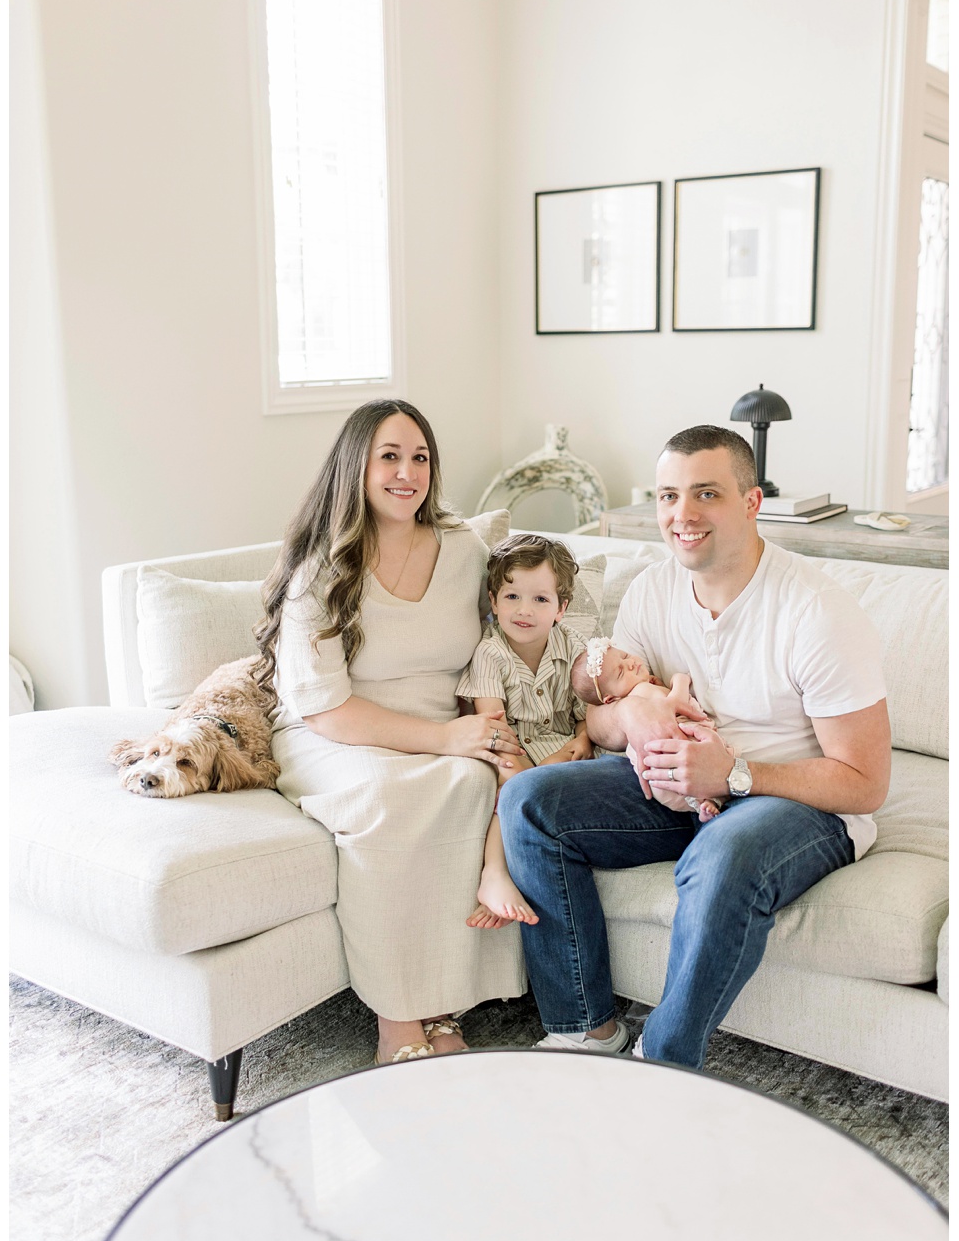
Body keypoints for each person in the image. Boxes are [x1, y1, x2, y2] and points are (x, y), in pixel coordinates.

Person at [498, 424, 891, 1064]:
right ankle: (586, 1030)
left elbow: (866, 782)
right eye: (668, 496)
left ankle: (662, 1062)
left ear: (751, 502)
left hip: (796, 803)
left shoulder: (817, 611)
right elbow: (600, 720)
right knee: (529, 800)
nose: (682, 515)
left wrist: (734, 774)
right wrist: (636, 713)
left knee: (726, 852)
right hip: (672, 784)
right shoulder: (653, 590)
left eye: (706, 493)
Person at [256, 399, 526, 1066]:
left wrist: (492, 727)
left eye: (420, 458)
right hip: (335, 733)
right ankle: (398, 1018)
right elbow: (326, 710)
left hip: (441, 724)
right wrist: (447, 741)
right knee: (389, 794)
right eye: (390, 457)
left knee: (474, 784)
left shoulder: (464, 550)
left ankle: (443, 1003)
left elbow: (497, 648)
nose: (408, 473)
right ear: (356, 466)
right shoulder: (319, 569)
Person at [457, 534, 592, 930]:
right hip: (512, 752)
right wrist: (521, 773)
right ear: (494, 601)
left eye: (540, 599)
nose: (524, 610)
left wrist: (583, 739)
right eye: (512, 596)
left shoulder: (573, 646)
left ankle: (529, 871)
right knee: (513, 793)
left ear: (561, 609)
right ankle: (495, 874)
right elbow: (494, 728)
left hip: (567, 752)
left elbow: (587, 712)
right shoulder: (490, 653)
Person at [570, 639, 722, 822]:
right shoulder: (641, 692)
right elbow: (677, 701)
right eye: (621, 672)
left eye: (625, 656)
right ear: (611, 699)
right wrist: (679, 682)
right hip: (679, 743)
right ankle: (708, 799)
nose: (630, 663)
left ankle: (704, 803)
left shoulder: (643, 690)